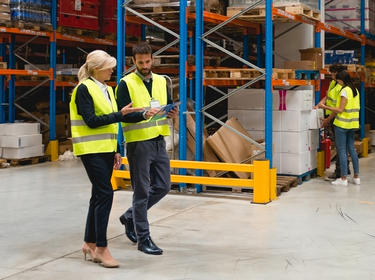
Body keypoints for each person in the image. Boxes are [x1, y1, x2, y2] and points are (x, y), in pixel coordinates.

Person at [69, 50, 142, 268]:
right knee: (105, 193)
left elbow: (111, 124)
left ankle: (89, 242)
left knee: (98, 195)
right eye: (109, 66)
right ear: (98, 68)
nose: (112, 70)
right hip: (90, 150)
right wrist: (121, 114)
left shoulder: (108, 90)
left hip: (106, 149)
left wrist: (117, 149)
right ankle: (101, 247)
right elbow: (91, 121)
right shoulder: (83, 89)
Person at [116, 42, 178, 255]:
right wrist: (142, 115)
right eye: (140, 62)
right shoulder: (126, 83)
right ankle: (144, 238)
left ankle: (130, 216)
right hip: (138, 143)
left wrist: (171, 113)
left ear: (152, 59)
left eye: (147, 61)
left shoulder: (161, 81)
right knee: (141, 192)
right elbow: (122, 114)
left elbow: (167, 103)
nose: (144, 65)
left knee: (163, 186)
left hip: (159, 140)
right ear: (134, 62)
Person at [318, 70, 360, 186]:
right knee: (352, 149)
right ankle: (356, 177)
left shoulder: (344, 91)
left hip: (342, 125)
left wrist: (324, 106)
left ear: (342, 80)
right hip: (352, 124)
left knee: (341, 151)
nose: (338, 82)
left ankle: (343, 178)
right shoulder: (355, 90)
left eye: (338, 80)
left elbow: (340, 110)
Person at [316, 64, 349, 180]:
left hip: (337, 118)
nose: (331, 74)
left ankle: (340, 172)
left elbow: (337, 109)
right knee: (341, 145)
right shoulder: (333, 83)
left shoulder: (341, 87)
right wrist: (319, 104)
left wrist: (327, 120)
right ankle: (346, 169)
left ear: (338, 73)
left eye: (333, 73)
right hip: (332, 116)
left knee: (341, 146)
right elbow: (328, 97)